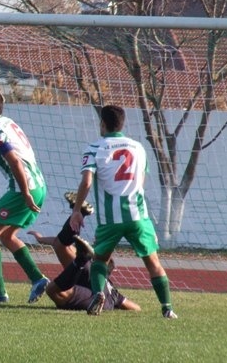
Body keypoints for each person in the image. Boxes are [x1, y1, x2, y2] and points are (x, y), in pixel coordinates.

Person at [68, 105, 177, 319]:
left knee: (99, 260)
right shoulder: (138, 147)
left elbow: (87, 181)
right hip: (138, 216)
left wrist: (76, 210)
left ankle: (98, 294)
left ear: (102, 123)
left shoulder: (94, 148)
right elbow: (141, 183)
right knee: (153, 262)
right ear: (122, 123)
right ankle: (167, 308)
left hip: (110, 219)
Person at [0, 90, 49, 304]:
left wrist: (24, 192)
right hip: (39, 185)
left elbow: (15, 161)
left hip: (22, 188)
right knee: (7, 236)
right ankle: (37, 279)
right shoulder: (9, 123)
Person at [28, 194, 141, 313]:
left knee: (63, 248)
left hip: (93, 287)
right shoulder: (114, 294)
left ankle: (80, 214)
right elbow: (135, 307)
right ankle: (81, 258)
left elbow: (59, 243)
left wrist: (42, 239)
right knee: (53, 290)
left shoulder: (111, 291)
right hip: (99, 295)